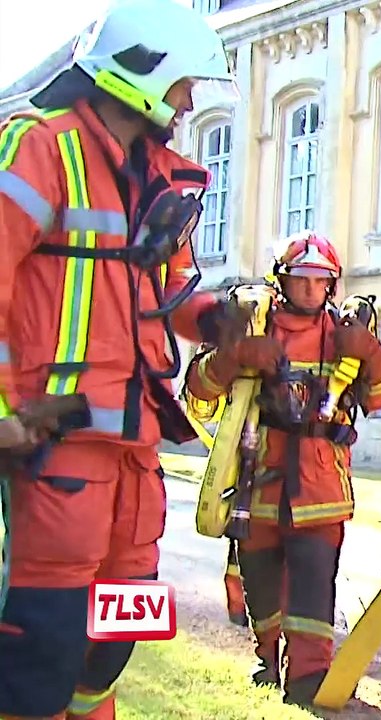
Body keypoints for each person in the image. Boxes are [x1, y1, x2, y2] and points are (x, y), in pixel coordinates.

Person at [0, 1, 243, 717]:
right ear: (140, 73)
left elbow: (173, 292)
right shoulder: (40, 147)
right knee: (44, 640)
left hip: (135, 446)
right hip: (58, 437)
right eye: (182, 84)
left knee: (114, 637)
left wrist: (217, 321)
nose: (189, 102)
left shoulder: (163, 178)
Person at [182, 232, 381, 705]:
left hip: (321, 488)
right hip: (258, 482)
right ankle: (267, 656)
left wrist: (371, 354)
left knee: (313, 587)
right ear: (281, 280)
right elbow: (197, 389)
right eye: (301, 279)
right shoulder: (250, 322)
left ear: (332, 285)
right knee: (260, 585)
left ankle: (307, 676)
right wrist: (234, 355)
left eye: (321, 281)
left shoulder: (344, 332)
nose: (311, 289)